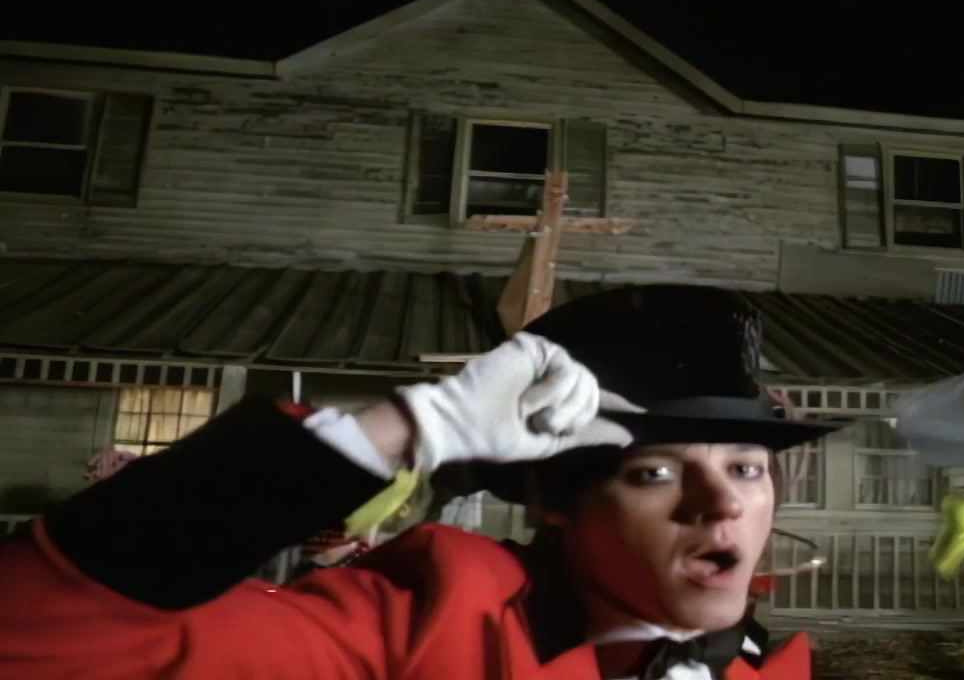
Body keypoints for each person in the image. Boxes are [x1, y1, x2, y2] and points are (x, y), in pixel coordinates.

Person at [0, 284, 835, 680]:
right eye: (654, 472)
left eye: (745, 467)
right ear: (553, 503)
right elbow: (38, 638)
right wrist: (405, 426)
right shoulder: (414, 632)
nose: (724, 504)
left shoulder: (770, 671)